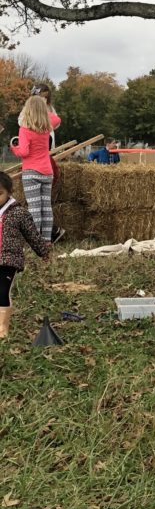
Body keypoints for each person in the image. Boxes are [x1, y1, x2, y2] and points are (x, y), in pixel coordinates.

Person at [0, 170, 52, 340]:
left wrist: (43, 252)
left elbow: (32, 235)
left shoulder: (19, 213)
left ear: (9, 193)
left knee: (2, 291)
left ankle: (2, 329)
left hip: (8, 260)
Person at [11, 95, 57, 242]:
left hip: (31, 172)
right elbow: (57, 119)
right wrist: (43, 107)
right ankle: (46, 241)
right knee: (46, 207)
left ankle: (35, 243)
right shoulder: (47, 128)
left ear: (27, 110)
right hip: (47, 171)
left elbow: (24, 152)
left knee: (34, 208)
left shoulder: (24, 129)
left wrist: (14, 148)